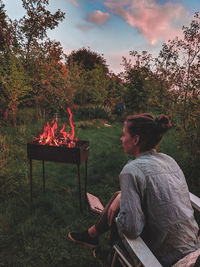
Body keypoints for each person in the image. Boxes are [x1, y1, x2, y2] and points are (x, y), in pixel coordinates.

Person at [68, 113, 200, 266]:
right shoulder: (169, 160)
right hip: (191, 244)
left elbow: (132, 228)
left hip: (165, 257)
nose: (121, 139)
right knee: (120, 197)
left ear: (136, 139)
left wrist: (122, 206)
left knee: (120, 213)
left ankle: (106, 250)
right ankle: (92, 235)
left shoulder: (131, 170)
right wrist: (123, 197)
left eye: (124, 135)